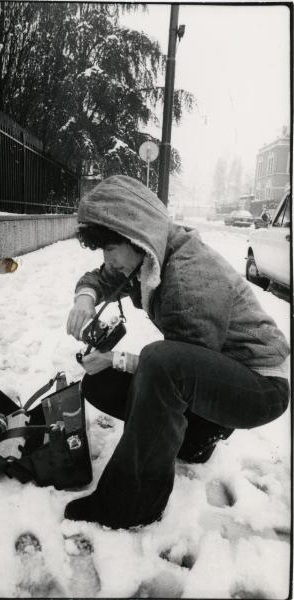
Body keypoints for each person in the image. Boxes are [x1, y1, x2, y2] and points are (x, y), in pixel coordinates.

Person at [64, 174, 290, 530]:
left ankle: (134, 503)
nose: (108, 259)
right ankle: (196, 441)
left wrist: (115, 358)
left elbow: (178, 370)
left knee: (158, 361)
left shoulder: (188, 279)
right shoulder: (152, 251)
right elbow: (105, 277)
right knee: (99, 385)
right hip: (218, 373)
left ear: (132, 233)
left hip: (260, 386)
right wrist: (84, 299)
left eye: (109, 248)